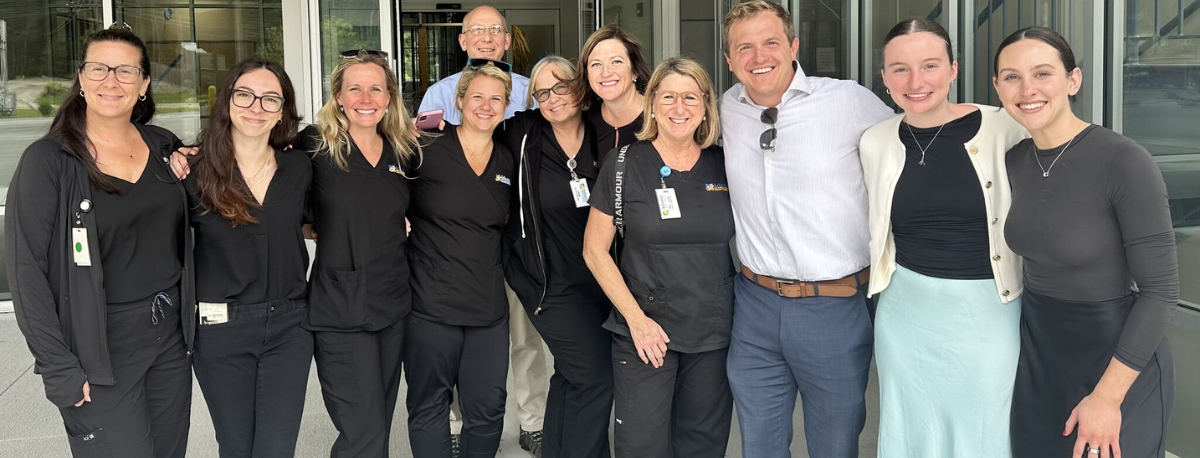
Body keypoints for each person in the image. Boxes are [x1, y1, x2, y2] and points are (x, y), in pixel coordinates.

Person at [6, 24, 194, 458]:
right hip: (98, 347)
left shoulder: (163, 145)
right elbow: (25, 271)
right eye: (99, 68)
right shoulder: (49, 161)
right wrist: (57, 365)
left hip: (167, 336)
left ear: (145, 84)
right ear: (81, 78)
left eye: (126, 71)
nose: (111, 80)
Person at [718, 2, 895, 457]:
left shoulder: (847, 101)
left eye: (771, 42)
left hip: (833, 307)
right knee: (759, 444)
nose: (760, 56)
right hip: (753, 307)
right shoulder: (724, 110)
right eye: (745, 47)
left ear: (794, 46)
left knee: (834, 445)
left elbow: (913, 145)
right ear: (729, 59)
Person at [994, 27, 1178, 458]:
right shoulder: (1016, 161)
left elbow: (1160, 292)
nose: (1027, 90)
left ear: (1073, 80)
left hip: (1114, 363)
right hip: (1039, 361)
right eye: (1011, 77)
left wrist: (1108, 398)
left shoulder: (1123, 160)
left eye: (1042, 73)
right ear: (998, 87)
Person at [858, 18, 1028, 458]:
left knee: (984, 430)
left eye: (930, 65)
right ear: (884, 77)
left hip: (987, 313)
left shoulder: (1007, 130)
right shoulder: (875, 141)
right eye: (899, 69)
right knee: (909, 430)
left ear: (953, 69)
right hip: (904, 312)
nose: (915, 82)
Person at [583, 57, 733, 458]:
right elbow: (594, 250)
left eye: (689, 97)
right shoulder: (623, 165)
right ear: (652, 103)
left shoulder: (727, 163)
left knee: (703, 443)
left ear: (705, 106)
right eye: (667, 96)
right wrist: (637, 321)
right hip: (645, 332)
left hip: (713, 332)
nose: (678, 108)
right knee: (641, 446)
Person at [418, 8, 550, 452]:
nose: (487, 38)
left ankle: (533, 419)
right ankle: (457, 424)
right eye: (478, 30)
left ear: (508, 39)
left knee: (524, 339)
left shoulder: (532, 91)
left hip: (511, 241)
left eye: (496, 30)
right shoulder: (439, 93)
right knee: (458, 346)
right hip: (454, 251)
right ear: (462, 40)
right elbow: (419, 159)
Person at [297, 49, 422, 458]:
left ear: (389, 98)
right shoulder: (313, 145)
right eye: (355, 89)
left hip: (392, 302)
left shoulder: (403, 150)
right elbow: (279, 202)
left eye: (375, 89)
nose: (365, 98)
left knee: (380, 419)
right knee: (361, 428)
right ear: (338, 96)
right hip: (338, 308)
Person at [185, 57, 312, 458]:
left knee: (278, 446)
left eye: (270, 99)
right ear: (226, 102)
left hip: (291, 326)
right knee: (237, 445)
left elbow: (322, 219)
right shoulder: (192, 170)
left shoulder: (299, 167)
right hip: (221, 329)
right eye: (245, 95)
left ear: (282, 111)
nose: (256, 107)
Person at [500, 55, 613, 458]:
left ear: (580, 88)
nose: (552, 98)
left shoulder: (604, 132)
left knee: (571, 375)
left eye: (560, 86)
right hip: (548, 284)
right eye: (541, 92)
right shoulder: (523, 133)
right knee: (596, 379)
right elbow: (466, 137)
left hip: (603, 281)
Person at [404, 62, 517, 458]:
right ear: (459, 101)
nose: (486, 106)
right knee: (428, 405)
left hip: (487, 306)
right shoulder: (424, 148)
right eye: (477, 97)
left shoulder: (508, 162)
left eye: (496, 99)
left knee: (487, 409)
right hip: (429, 304)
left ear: (506, 106)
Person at [576, 24, 652, 160]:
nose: (606, 73)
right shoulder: (587, 122)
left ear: (635, 71)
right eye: (596, 64)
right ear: (587, 75)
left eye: (616, 62)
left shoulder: (660, 117)